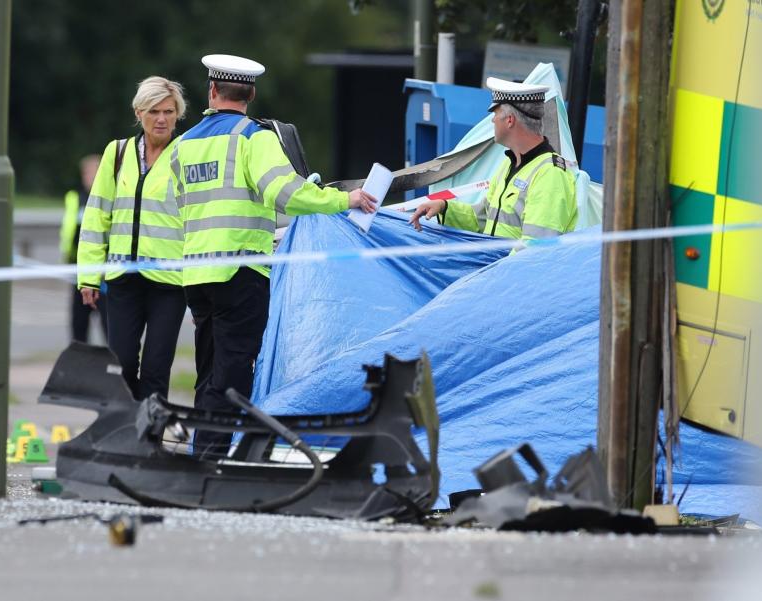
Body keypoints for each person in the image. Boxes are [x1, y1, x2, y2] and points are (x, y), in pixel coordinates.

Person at [170, 54, 377, 457]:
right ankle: (213, 460)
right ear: (251, 94)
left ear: (212, 91)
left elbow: (184, 206)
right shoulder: (253, 137)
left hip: (197, 274)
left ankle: (202, 452)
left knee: (208, 371)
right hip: (240, 271)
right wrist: (342, 198)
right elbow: (284, 192)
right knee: (232, 374)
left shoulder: (183, 145)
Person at [77, 76, 189, 401]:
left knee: (156, 368)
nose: (162, 119)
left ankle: (149, 439)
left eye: (169, 111)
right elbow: (97, 216)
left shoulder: (187, 156)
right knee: (123, 362)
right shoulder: (117, 153)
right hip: (124, 279)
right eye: (154, 111)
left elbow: (197, 223)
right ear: (139, 112)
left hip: (170, 282)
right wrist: (88, 277)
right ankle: (125, 430)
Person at [409, 77, 577, 240]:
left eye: (495, 113)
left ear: (510, 120)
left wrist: (496, 269)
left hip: (511, 268)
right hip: (499, 267)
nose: (492, 120)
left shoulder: (550, 175)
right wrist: (444, 207)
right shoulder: (510, 164)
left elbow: (535, 250)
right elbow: (483, 219)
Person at [61, 154, 109, 342]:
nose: (89, 176)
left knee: (109, 325)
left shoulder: (110, 198)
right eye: (86, 172)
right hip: (78, 268)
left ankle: (115, 366)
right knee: (78, 324)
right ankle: (79, 364)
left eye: (93, 172)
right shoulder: (74, 198)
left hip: (104, 273)